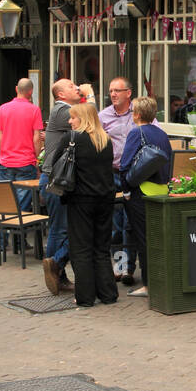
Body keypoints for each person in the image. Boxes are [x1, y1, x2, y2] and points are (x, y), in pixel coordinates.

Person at [59, 102, 120, 307]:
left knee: (81, 248)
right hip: (105, 198)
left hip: (81, 199)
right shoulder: (106, 140)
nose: (70, 121)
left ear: (83, 119)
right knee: (102, 248)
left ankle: (85, 297)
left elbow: (55, 162)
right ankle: (108, 293)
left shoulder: (72, 139)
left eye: (73, 117)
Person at [119, 96, 173, 298]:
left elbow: (124, 166)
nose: (131, 114)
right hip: (160, 190)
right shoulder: (162, 134)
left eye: (132, 111)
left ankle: (149, 285)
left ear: (138, 114)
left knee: (143, 239)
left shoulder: (136, 133)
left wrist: (125, 191)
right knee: (157, 237)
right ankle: (161, 279)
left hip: (140, 192)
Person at [39, 78, 82, 296]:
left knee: (61, 229)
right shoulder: (62, 111)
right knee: (59, 229)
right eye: (71, 85)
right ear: (61, 95)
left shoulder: (64, 110)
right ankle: (56, 273)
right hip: (55, 179)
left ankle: (57, 273)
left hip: (55, 178)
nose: (77, 86)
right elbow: (88, 120)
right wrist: (90, 96)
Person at [99, 77, 138, 286]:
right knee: (116, 224)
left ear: (128, 93)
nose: (113, 94)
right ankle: (119, 267)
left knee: (130, 224)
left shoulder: (139, 113)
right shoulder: (103, 116)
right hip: (113, 174)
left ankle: (130, 269)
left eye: (117, 90)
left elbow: (155, 132)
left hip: (134, 176)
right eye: (111, 91)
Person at [0, 78, 44, 211]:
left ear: (16, 89)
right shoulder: (34, 110)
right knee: (22, 203)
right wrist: (37, 158)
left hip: (6, 161)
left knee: (5, 199)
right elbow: (37, 138)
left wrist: (3, 154)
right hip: (26, 162)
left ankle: (2, 230)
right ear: (31, 92)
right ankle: (15, 229)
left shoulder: (3, 109)